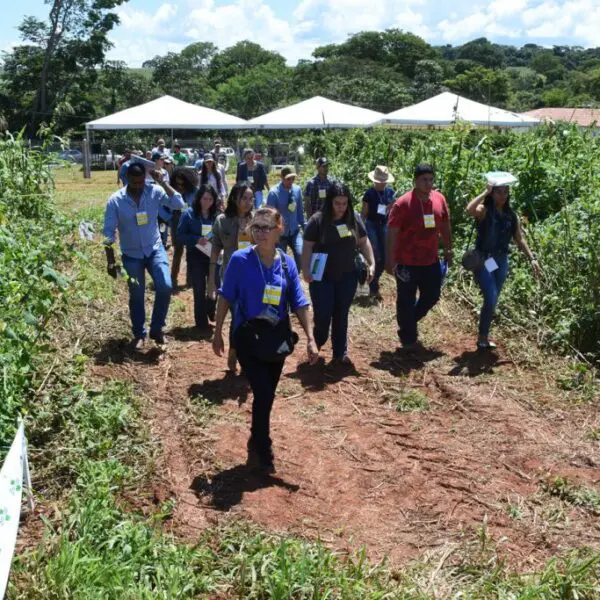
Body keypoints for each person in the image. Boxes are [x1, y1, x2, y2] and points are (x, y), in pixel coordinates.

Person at [213, 207, 318, 473]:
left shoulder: (287, 263)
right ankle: (264, 446)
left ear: (278, 230)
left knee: (267, 395)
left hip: (276, 338)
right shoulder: (239, 260)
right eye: (255, 227)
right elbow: (225, 296)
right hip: (247, 336)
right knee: (261, 391)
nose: (259, 233)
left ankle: (256, 435)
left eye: (265, 228)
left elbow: (299, 302)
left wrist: (310, 338)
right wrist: (217, 333)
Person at [103, 163, 185, 348]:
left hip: (154, 250)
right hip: (131, 255)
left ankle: (157, 329)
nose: (138, 186)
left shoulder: (154, 191)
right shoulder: (116, 200)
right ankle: (139, 333)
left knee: (165, 286)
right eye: (134, 182)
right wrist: (110, 261)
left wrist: (163, 182)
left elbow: (178, 203)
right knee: (137, 295)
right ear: (127, 179)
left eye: (141, 182)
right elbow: (108, 233)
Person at [302, 181, 375, 364]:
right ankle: (315, 345)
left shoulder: (353, 218)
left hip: (347, 276)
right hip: (322, 277)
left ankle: (339, 353)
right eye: (337, 203)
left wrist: (372, 263)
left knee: (341, 314)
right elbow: (307, 247)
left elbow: (364, 241)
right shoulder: (317, 221)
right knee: (323, 315)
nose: (341, 208)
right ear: (330, 202)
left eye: (344, 203)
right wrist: (306, 271)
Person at [466, 182, 542, 349]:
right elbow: (470, 209)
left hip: (501, 261)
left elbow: (519, 239)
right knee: (491, 297)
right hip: (484, 260)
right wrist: (484, 192)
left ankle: (483, 336)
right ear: (492, 194)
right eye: (498, 192)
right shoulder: (485, 210)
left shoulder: (511, 215)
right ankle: (482, 336)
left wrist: (532, 258)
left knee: (492, 300)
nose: (503, 195)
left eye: (506, 191)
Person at [386, 164, 452, 351]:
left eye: (431, 179)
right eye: (424, 179)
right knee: (405, 298)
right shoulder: (403, 203)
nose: (428, 183)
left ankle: (408, 321)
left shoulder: (439, 199)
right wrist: (390, 260)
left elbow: (445, 225)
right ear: (415, 180)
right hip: (407, 261)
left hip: (431, 259)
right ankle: (408, 338)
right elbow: (392, 232)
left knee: (432, 295)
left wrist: (448, 249)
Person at [209, 183, 255, 371]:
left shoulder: (257, 221)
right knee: (236, 316)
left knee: (247, 318)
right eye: (244, 198)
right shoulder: (222, 221)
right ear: (235, 199)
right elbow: (214, 251)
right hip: (229, 277)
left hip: (252, 279)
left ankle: (241, 353)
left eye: (251, 199)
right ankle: (234, 350)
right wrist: (211, 281)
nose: (248, 202)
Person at [176, 184, 219, 332]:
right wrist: (195, 239)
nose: (207, 202)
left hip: (213, 256)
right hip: (196, 257)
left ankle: (211, 309)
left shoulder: (217, 215)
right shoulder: (188, 214)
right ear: (198, 198)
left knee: (215, 286)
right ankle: (201, 323)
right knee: (199, 289)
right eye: (204, 198)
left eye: (210, 199)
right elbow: (179, 235)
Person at [361, 165, 396, 301]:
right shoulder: (369, 194)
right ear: (375, 181)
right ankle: (373, 287)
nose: (382, 184)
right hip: (372, 225)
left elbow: (393, 210)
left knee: (385, 258)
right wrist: (361, 230)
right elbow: (364, 213)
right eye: (380, 181)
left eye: (384, 181)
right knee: (376, 256)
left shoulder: (390, 193)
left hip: (385, 226)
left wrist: (392, 206)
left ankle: (372, 281)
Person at [266, 166, 305, 270]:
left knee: (300, 254)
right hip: (280, 234)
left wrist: (304, 227)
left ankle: (294, 276)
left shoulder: (297, 190)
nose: (291, 181)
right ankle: (283, 280)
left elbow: (300, 211)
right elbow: (269, 216)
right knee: (280, 261)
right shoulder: (274, 193)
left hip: (295, 231)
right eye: (288, 179)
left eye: (293, 178)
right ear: (282, 177)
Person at [170, 167, 198, 287]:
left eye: (182, 184)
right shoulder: (171, 191)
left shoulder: (195, 192)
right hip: (176, 221)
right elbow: (161, 208)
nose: (180, 186)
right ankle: (173, 279)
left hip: (191, 222)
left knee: (191, 252)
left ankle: (190, 281)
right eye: (177, 184)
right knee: (178, 251)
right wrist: (168, 218)